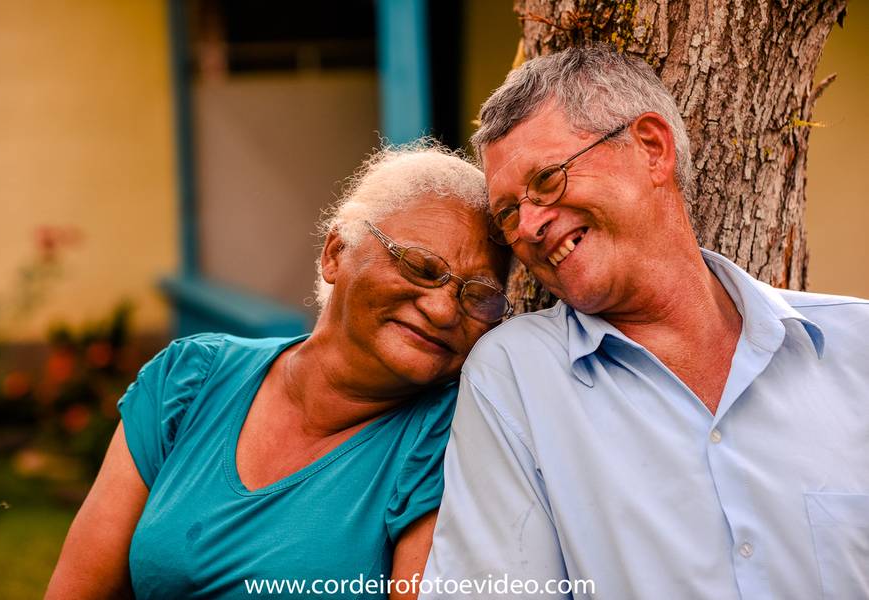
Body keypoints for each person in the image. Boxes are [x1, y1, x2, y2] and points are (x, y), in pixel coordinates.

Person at [422, 46, 869, 599]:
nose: (532, 226)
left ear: (652, 149)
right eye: (510, 213)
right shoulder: (516, 377)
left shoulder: (856, 349)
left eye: (549, 179)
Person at [46, 143, 512, 599]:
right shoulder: (190, 377)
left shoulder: (449, 435)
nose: (443, 309)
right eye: (421, 267)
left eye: (479, 295)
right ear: (336, 253)